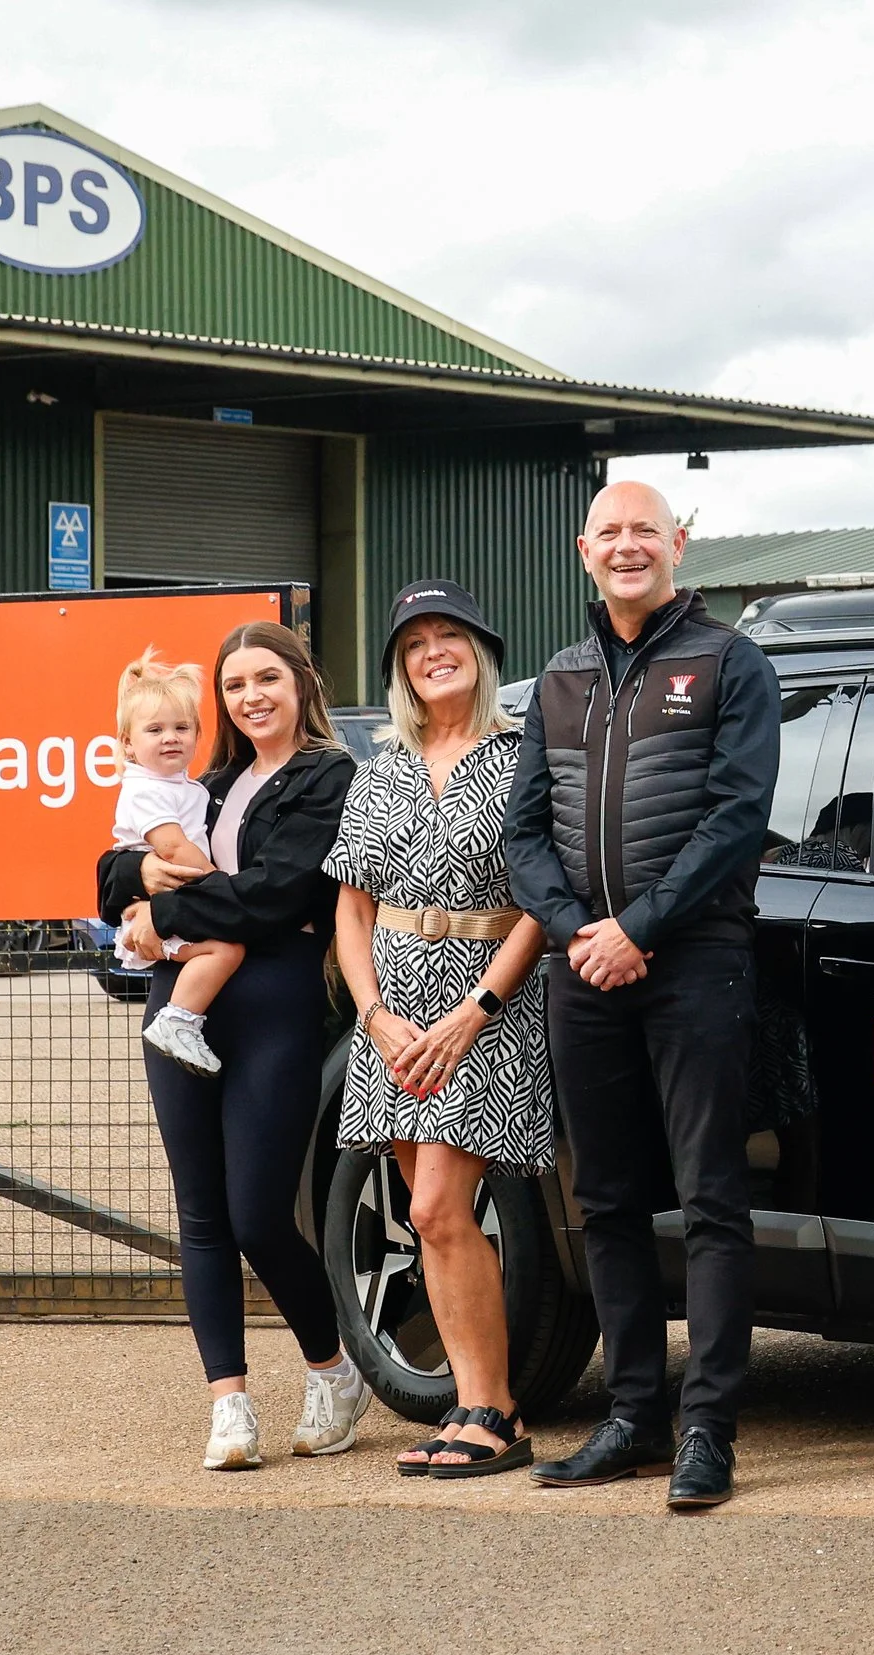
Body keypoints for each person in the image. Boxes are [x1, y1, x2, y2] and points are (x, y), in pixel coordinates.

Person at [506, 480, 779, 1510]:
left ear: (678, 542)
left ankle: (708, 1430)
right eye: (609, 533)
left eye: (644, 532)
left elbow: (736, 816)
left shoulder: (729, 662)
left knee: (709, 1197)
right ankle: (631, 1417)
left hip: (693, 962)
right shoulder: (561, 680)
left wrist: (641, 927)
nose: (628, 548)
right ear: (585, 551)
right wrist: (582, 933)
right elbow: (523, 831)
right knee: (608, 1201)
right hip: (585, 972)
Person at [96, 620, 368, 1472]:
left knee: (257, 1212)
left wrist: (162, 912)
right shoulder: (208, 779)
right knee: (202, 1216)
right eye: (235, 684)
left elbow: (278, 893)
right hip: (179, 1004)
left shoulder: (330, 778)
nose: (251, 696)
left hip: (277, 1007)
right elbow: (109, 872)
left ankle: (333, 1369)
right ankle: (231, 1405)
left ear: (300, 682)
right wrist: (135, 884)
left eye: (267, 678)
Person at [326, 580, 555, 1479]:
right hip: (394, 1012)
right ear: (400, 670)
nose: (432, 651)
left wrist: (477, 1009)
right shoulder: (379, 770)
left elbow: (540, 903)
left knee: (434, 1207)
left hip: (483, 1002)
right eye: (415, 642)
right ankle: (474, 1405)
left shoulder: (520, 758)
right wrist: (374, 1016)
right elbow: (351, 905)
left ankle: (493, 1408)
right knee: (439, 1218)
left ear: (481, 652)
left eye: (448, 635)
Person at [107, 648, 246, 1076]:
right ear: (128, 744)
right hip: (170, 903)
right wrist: (221, 883)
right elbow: (170, 848)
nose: (171, 737)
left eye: (182, 727)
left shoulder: (188, 788)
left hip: (179, 901)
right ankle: (178, 1018)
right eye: (155, 729)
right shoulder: (144, 789)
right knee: (225, 949)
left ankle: (182, 1019)